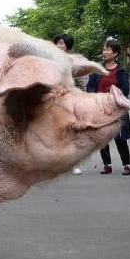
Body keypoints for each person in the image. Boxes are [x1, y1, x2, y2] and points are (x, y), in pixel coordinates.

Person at [87, 38, 130, 175]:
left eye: (108, 50)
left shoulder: (121, 71)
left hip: (117, 108)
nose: (104, 52)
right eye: (104, 49)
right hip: (100, 108)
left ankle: (127, 165)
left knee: (120, 137)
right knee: (103, 137)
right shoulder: (97, 70)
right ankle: (107, 164)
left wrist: (114, 95)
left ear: (115, 53)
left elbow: (125, 90)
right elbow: (90, 87)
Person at [53, 33, 83, 175]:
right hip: (54, 101)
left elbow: (80, 81)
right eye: (57, 42)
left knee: (72, 132)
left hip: (70, 100)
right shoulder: (49, 60)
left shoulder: (72, 61)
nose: (59, 45)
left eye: (62, 43)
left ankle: (73, 164)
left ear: (68, 46)